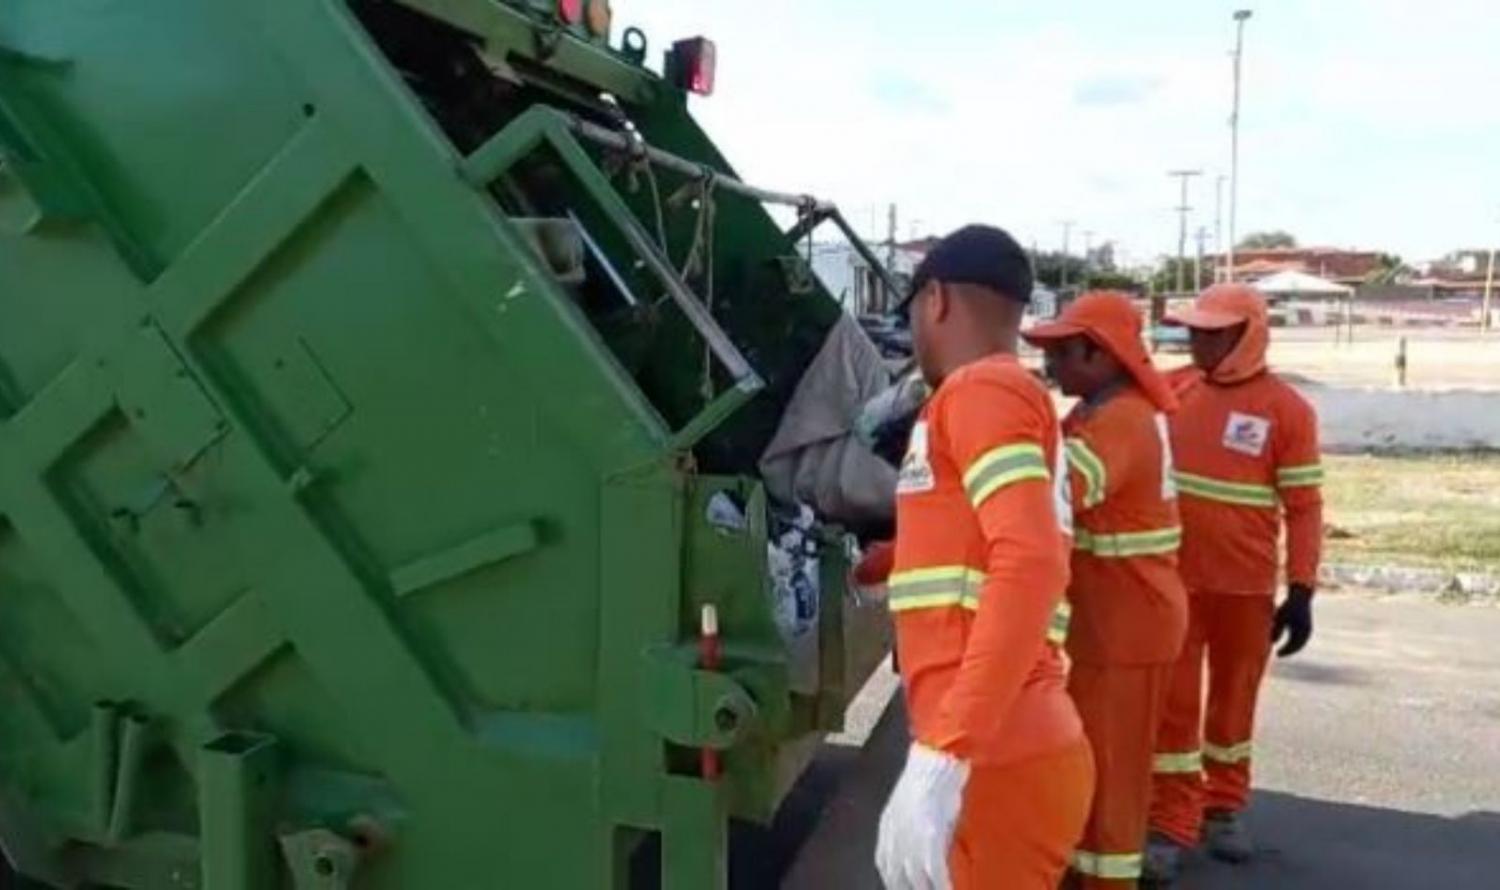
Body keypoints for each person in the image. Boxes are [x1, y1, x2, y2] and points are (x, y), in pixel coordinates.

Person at [872, 225, 1093, 890]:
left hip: (993, 757)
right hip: (1007, 749)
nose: (912, 333)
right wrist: (891, 560)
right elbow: (979, 541)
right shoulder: (995, 396)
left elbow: (1029, 562)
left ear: (934, 299)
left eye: (909, 313)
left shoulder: (978, 394)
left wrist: (948, 749)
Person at [1146, 283, 1324, 881]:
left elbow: (1304, 506)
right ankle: (1169, 820)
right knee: (1173, 707)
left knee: (1233, 703)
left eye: (1211, 331)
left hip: (1244, 591)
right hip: (1174, 582)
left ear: (1246, 336)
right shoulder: (1170, 389)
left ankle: (1223, 806)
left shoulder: (1288, 411)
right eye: (1193, 330)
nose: (1196, 339)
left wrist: (1301, 589)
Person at [1023, 292, 1189, 889]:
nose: (1049, 367)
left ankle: (1109, 878)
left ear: (1098, 353)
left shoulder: (1121, 420)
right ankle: (1084, 865)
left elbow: (1055, 490)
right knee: (1093, 760)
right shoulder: (1101, 411)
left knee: (1115, 773)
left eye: (1060, 353)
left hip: (1129, 630)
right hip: (1116, 627)